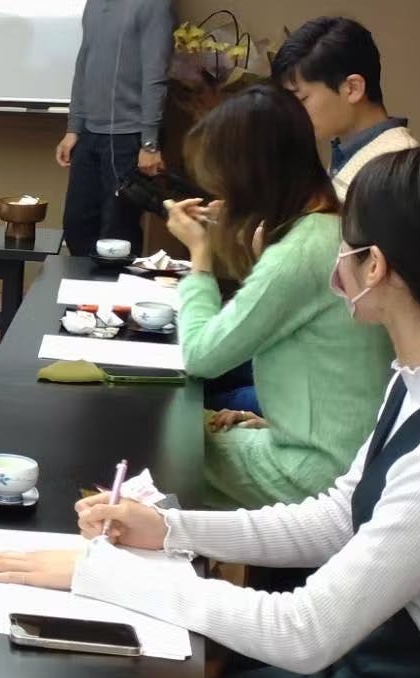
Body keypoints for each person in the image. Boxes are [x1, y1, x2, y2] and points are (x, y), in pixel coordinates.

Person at [0, 146, 420, 678]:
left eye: (344, 242)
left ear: (373, 266)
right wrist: (170, 528)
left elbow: (303, 632)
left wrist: (98, 573)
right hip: (384, 661)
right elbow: (342, 518)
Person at [162, 87, 394, 509]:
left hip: (316, 472)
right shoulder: (333, 224)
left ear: (249, 178)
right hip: (346, 453)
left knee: (163, 441)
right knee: (190, 424)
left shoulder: (301, 252)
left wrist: (199, 256)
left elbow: (199, 356)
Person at [54, 0, 176, 257]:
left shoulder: (154, 2)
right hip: (89, 136)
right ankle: (79, 292)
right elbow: (84, 66)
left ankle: (115, 294)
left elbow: (156, 75)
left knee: (117, 232)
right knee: (77, 225)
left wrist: (149, 143)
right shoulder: (94, 1)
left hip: (128, 138)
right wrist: (73, 128)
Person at [273, 16, 419, 199]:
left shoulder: (396, 167)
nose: (292, 113)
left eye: (301, 99)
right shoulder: (351, 152)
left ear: (352, 88)